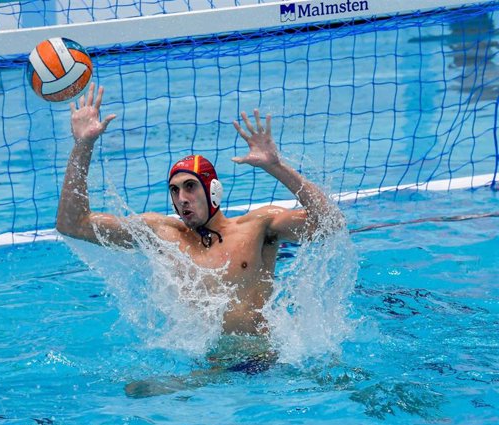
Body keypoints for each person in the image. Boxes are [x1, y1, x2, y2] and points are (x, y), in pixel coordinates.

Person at [56, 83, 343, 391]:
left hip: (269, 363)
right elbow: (73, 224)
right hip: (208, 366)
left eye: (190, 186)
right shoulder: (162, 233)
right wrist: (83, 145)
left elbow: (330, 222)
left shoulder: (257, 227)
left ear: (213, 190)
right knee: (137, 392)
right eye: (174, 190)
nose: (182, 198)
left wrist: (277, 167)